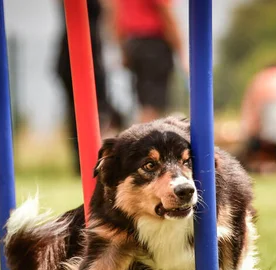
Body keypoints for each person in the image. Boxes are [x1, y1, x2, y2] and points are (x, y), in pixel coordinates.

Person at [56, 0, 124, 175]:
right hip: (86, 54)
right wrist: (119, 45)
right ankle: (91, 161)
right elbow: (111, 13)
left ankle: (83, 162)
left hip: (72, 53)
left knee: (80, 112)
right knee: (97, 111)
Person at [105, 0, 187, 124]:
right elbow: (166, 14)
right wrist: (181, 51)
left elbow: (115, 17)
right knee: (152, 105)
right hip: (154, 43)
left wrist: (123, 49)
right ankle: (145, 139)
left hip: (133, 43)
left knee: (144, 102)